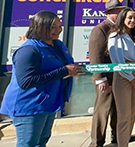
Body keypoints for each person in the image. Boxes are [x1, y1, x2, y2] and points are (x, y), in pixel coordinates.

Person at [0, 11, 81, 147]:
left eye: (60, 26)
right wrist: (64, 71)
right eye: (53, 27)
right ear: (40, 27)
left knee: (41, 142)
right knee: (28, 143)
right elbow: (26, 82)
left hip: (48, 104)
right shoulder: (29, 50)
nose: (58, 30)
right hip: (29, 106)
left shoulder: (56, 46)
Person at [89, 0, 135, 147]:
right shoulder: (101, 29)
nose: (121, 13)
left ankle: (117, 136)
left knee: (118, 110)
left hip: (119, 78)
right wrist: (100, 78)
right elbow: (96, 57)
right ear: (110, 13)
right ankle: (97, 142)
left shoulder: (120, 29)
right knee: (102, 111)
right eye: (119, 11)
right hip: (106, 79)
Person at [108, 7, 135, 147]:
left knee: (133, 113)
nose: (132, 20)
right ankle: (122, 144)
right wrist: (131, 78)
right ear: (123, 19)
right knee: (124, 115)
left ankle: (125, 141)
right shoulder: (115, 36)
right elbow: (117, 61)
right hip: (123, 77)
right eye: (129, 17)